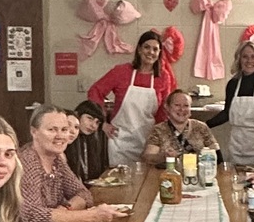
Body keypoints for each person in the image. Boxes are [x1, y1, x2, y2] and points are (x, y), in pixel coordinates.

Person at [16, 105, 126, 222]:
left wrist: (64, 210)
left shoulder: (56, 159)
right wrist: (90, 216)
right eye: (52, 130)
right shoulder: (27, 160)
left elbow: (84, 194)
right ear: (34, 132)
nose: (60, 136)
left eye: (64, 130)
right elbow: (32, 216)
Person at [88, 31, 174, 166]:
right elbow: (95, 91)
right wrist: (101, 123)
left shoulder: (163, 77)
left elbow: (164, 110)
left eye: (155, 49)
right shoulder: (121, 71)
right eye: (146, 47)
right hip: (120, 142)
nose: (150, 52)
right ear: (139, 49)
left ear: (159, 53)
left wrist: (162, 138)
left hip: (149, 142)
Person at [141, 89, 219, 165]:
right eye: (177, 105)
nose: (182, 109)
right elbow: (148, 157)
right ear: (167, 107)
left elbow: (217, 154)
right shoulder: (158, 130)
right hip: (167, 175)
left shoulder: (201, 127)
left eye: (186, 106)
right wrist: (163, 156)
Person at [65, 100, 110, 182]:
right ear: (77, 115)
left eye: (97, 122)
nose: (93, 125)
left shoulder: (92, 141)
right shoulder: (67, 141)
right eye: (90, 118)